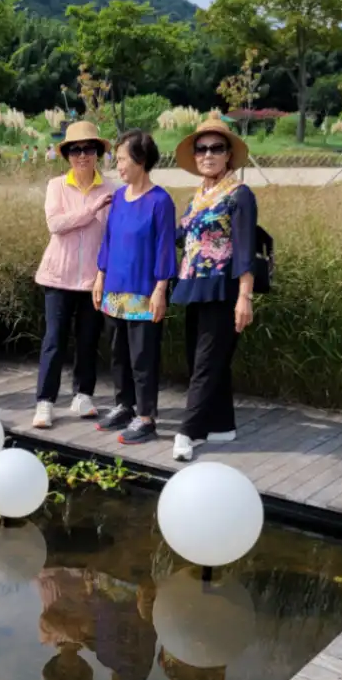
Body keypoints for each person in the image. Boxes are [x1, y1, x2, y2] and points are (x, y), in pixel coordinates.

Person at [170, 116, 257, 463]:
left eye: (216, 148)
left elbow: (245, 248)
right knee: (201, 360)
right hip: (193, 286)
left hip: (223, 290)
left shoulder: (239, 195)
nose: (208, 155)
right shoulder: (198, 197)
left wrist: (244, 297)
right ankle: (221, 424)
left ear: (228, 156)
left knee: (206, 363)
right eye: (201, 149)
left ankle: (188, 431)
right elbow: (181, 237)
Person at [92, 130, 176, 445]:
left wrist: (160, 290)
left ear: (141, 160)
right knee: (118, 353)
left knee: (143, 356)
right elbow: (108, 240)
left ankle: (146, 417)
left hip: (144, 290)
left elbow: (166, 248)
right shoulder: (119, 199)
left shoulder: (160, 201)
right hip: (114, 289)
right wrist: (99, 276)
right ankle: (123, 406)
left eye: (123, 159)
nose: (118, 165)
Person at [32, 122, 114, 429]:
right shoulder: (56, 186)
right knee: (54, 340)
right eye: (76, 150)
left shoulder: (112, 189)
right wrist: (91, 209)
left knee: (88, 339)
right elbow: (56, 223)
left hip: (93, 279)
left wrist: (104, 275)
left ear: (98, 153)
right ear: (67, 154)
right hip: (57, 277)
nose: (82, 155)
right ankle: (45, 402)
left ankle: (83, 395)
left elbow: (111, 235)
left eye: (89, 149)